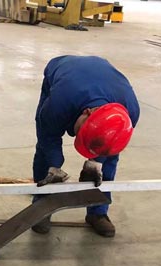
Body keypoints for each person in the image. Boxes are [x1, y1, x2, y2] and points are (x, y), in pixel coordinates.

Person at [31, 55, 140, 238]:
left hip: (101, 78)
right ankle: (41, 208)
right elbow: (47, 137)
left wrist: (96, 162)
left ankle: (98, 212)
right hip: (64, 72)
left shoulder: (129, 113)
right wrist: (54, 165)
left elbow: (109, 146)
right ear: (86, 112)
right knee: (45, 152)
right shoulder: (58, 103)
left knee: (109, 156)